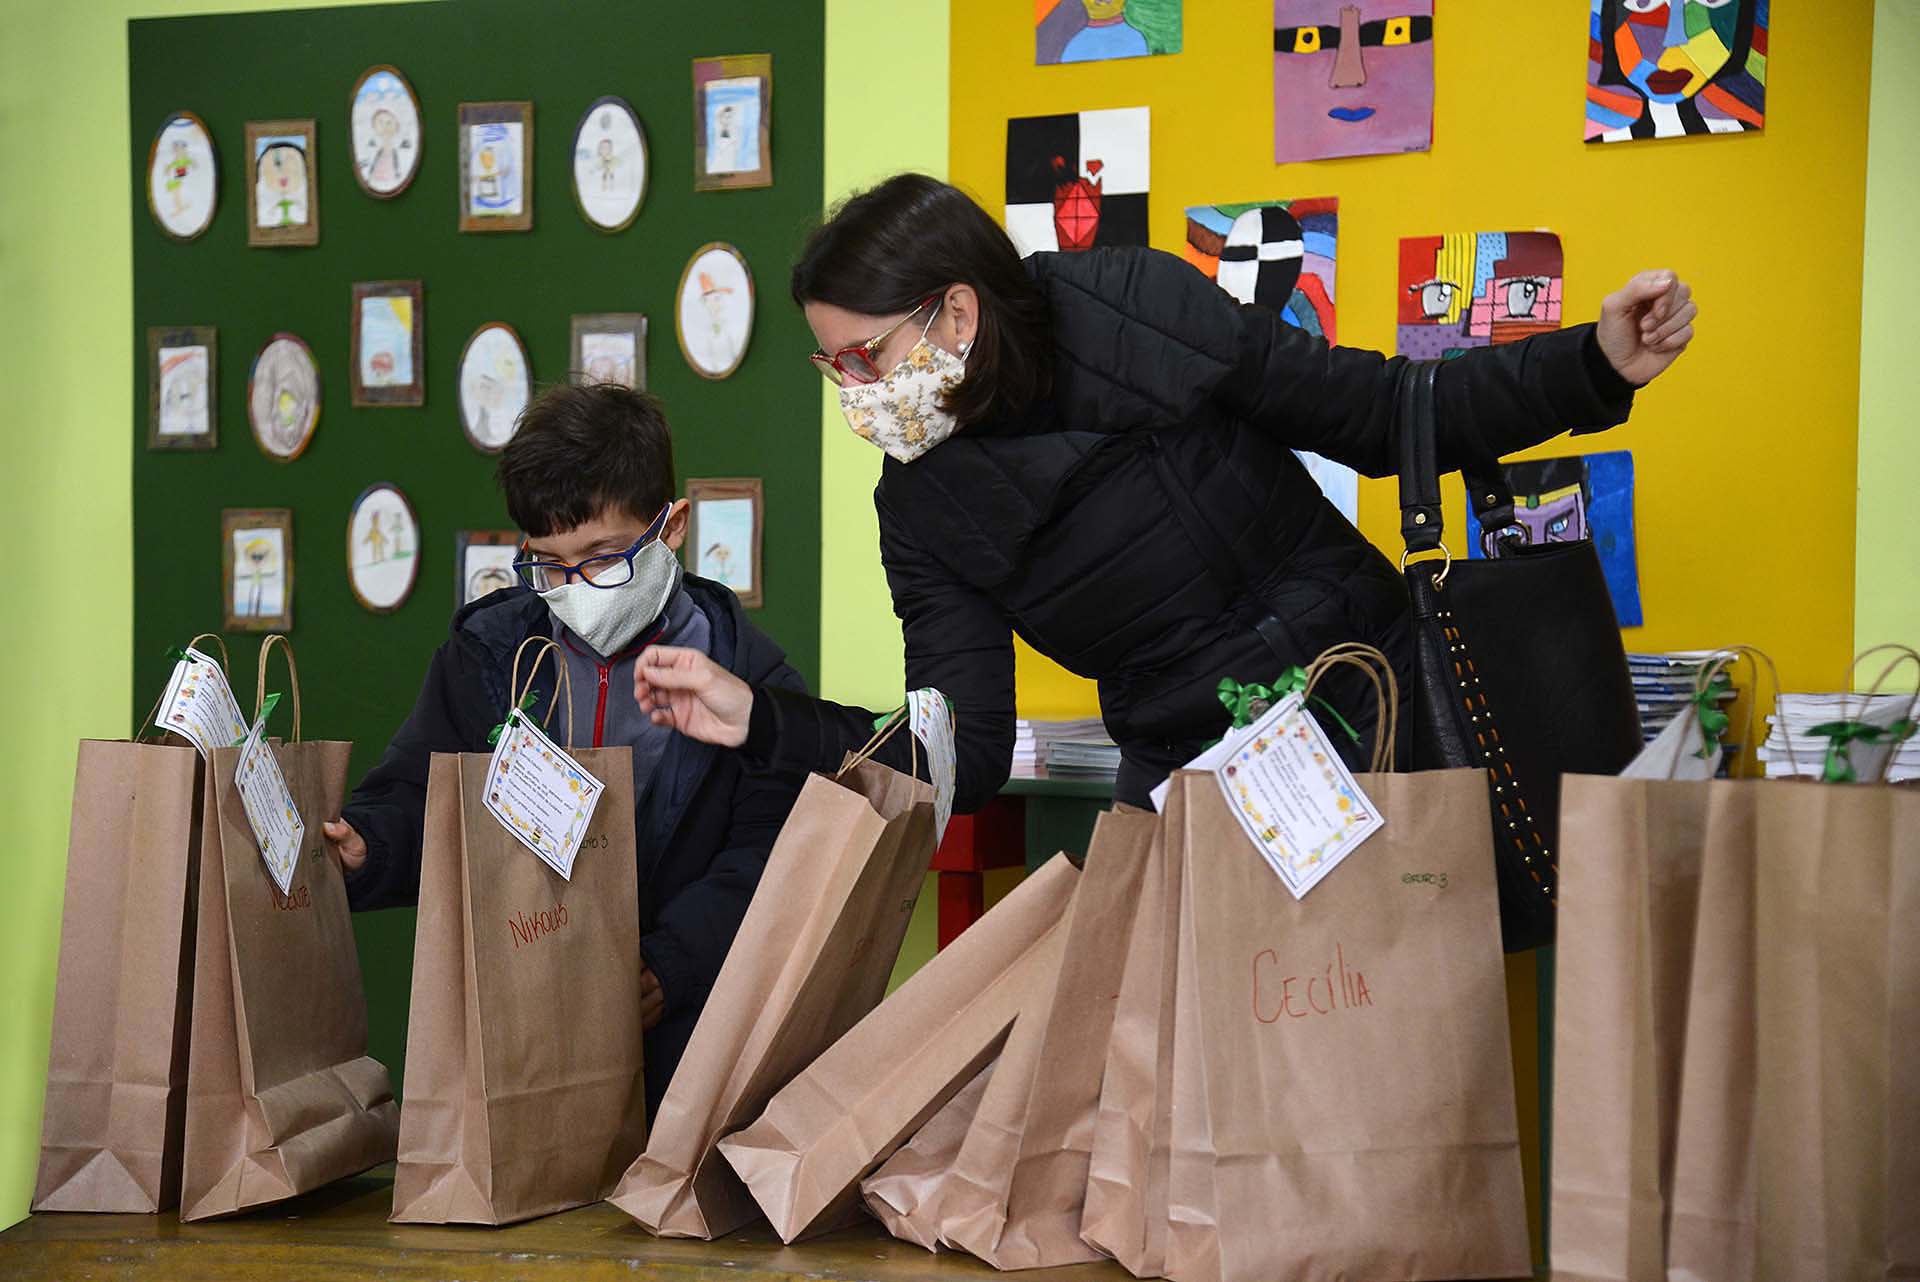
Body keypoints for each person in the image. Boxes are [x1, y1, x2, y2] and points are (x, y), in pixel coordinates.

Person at [632, 173, 1698, 812]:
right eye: (833, 369)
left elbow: (1381, 414)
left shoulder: (1132, 305)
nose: (855, 393)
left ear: (956, 312)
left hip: (1379, 708)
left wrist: (1591, 365)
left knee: (1399, 1058)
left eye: (864, 357)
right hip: (1201, 789)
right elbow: (964, 750)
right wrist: (765, 720)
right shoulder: (920, 506)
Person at [323, 382, 809, 1113]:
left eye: (604, 557)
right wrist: (373, 846)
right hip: (523, 1027)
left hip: (690, 1042)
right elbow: (424, 793)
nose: (577, 587)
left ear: (672, 526)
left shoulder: (752, 683)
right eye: (549, 563)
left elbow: (771, 855)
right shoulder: (488, 655)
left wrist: (670, 965)